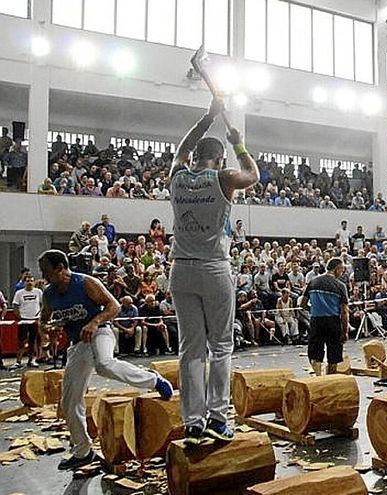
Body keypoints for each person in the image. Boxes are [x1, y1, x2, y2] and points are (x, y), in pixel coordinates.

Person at [169, 96, 259, 445]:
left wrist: (207, 118)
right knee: (220, 345)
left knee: (190, 349)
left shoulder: (177, 176)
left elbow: (181, 148)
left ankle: (193, 423)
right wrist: (239, 142)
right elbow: (253, 174)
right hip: (214, 268)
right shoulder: (223, 177)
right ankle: (218, 419)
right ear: (219, 158)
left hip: (181, 269)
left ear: (194, 157)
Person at [38, 250, 172, 471]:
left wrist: (94, 322)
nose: (45, 277)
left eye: (48, 272)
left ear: (61, 268)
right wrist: (47, 328)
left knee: (104, 364)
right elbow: (44, 319)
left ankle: (154, 381)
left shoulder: (86, 283)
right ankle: (83, 451)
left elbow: (114, 306)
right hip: (78, 343)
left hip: (100, 332)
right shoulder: (49, 293)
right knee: (69, 402)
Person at [301, 257, 349, 375]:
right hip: (333, 322)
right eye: (342, 270)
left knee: (315, 354)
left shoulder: (313, 282)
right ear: (337, 269)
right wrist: (345, 331)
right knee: (334, 355)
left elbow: (303, 304)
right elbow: (344, 311)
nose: (342, 273)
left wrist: (315, 309)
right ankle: (329, 380)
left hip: (316, 321)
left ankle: (318, 378)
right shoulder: (340, 286)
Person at [12, 274, 42, 368]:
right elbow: (15, 305)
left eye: (31, 281)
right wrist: (19, 316)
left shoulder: (38, 292)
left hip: (35, 320)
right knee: (21, 341)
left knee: (33, 341)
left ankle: (32, 360)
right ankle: (18, 361)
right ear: (24, 282)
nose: (30, 283)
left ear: (34, 282)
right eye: (28, 281)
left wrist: (40, 315)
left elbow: (44, 303)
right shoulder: (19, 293)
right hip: (23, 320)